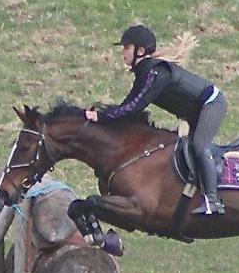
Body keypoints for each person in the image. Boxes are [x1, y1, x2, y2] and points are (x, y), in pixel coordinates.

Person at [85, 24, 228, 215]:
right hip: (196, 112)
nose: (122, 52)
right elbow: (127, 105)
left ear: (140, 51)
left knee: (200, 146)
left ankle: (213, 201)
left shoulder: (155, 73)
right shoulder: (145, 73)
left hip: (212, 104)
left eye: (126, 47)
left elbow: (134, 107)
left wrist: (102, 117)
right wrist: (104, 115)